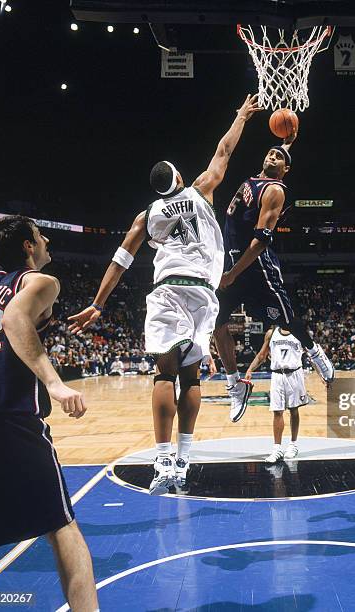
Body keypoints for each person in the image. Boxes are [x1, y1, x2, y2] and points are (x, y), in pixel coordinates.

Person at [68, 94, 261, 494]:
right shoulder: (200, 190)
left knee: (163, 374)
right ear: (179, 178)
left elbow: (120, 260)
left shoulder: (146, 216)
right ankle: (185, 460)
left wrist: (97, 303)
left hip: (167, 289)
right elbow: (224, 149)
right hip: (204, 292)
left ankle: (162, 461)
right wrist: (240, 114)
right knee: (191, 379)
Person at [0, 215, 98, 611]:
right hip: (9, 415)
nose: (47, 242)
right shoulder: (40, 282)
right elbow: (13, 318)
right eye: (41, 237)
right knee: (63, 529)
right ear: (29, 246)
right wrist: (54, 383)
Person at [214, 133, 334, 423]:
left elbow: (259, 242)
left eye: (278, 157)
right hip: (232, 261)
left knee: (285, 319)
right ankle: (235, 386)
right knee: (215, 323)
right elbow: (279, 153)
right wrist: (288, 141)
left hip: (256, 267)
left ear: (286, 169)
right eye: (270, 153)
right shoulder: (256, 178)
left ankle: (314, 352)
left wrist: (231, 274)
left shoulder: (274, 191)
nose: (272, 156)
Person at [245, 327, 308, 463]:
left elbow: (312, 354)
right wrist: (250, 369)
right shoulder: (271, 333)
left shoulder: (299, 332)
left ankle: (293, 445)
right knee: (277, 412)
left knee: (293, 410)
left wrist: (323, 375)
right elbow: (262, 355)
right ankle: (277, 448)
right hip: (277, 375)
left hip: (295, 374)